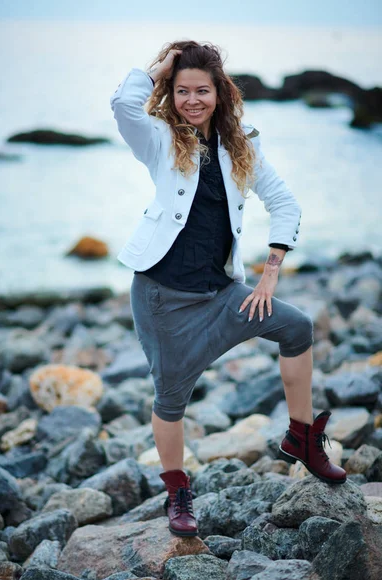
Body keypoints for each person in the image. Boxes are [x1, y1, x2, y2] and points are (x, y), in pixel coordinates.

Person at [110, 41, 346, 538]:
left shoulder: (242, 143)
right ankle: (177, 491)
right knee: (170, 398)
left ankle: (302, 439)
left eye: (202, 90)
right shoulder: (157, 138)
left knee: (297, 326)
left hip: (221, 293)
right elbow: (122, 104)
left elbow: (284, 203)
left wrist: (270, 272)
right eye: (181, 91)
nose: (192, 100)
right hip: (161, 296)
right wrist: (160, 67)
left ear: (220, 92)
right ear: (168, 94)